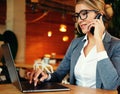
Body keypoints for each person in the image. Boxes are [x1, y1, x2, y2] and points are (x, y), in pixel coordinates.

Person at [26, 0, 120, 90]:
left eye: (84, 14)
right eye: (77, 16)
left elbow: (112, 85)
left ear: (100, 15)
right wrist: (46, 77)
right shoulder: (75, 43)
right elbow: (58, 75)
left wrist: (98, 40)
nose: (79, 20)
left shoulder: (116, 45)